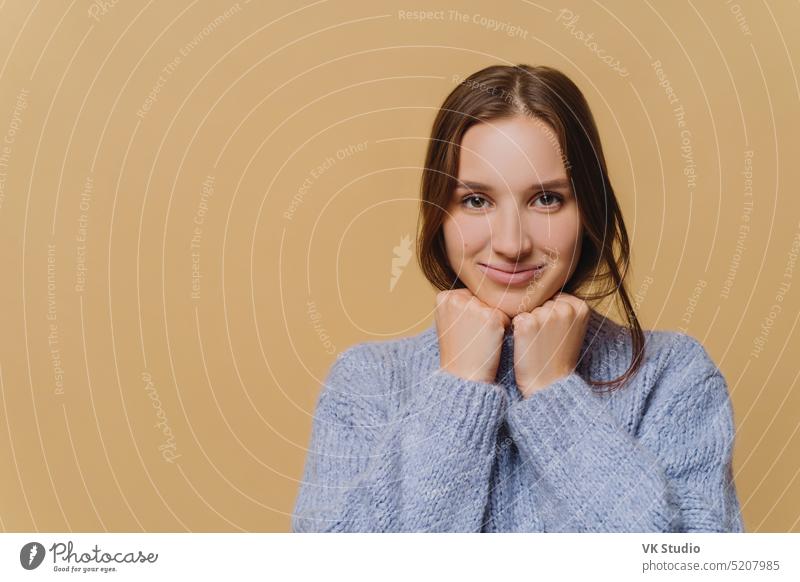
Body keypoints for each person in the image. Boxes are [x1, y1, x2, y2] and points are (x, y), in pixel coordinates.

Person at [291, 64, 745, 533]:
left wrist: (556, 396)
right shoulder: (366, 384)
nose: (511, 243)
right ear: (438, 213)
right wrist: (458, 389)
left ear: (588, 208)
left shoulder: (673, 377)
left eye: (546, 199)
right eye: (475, 200)